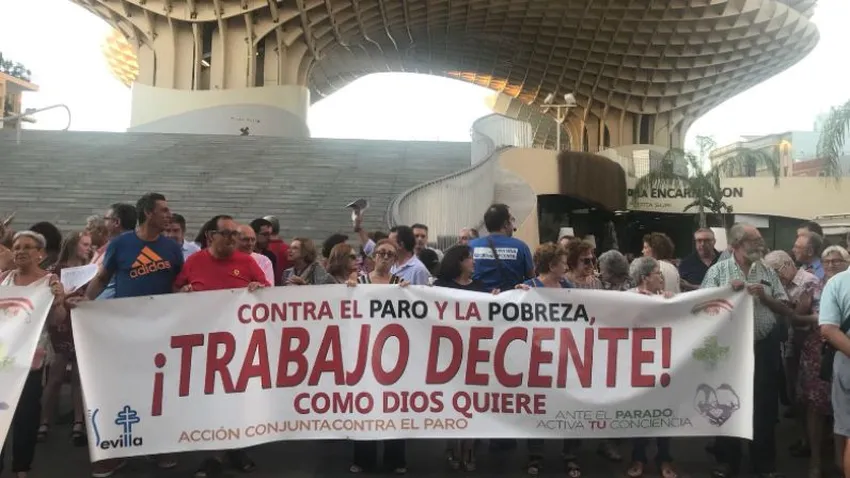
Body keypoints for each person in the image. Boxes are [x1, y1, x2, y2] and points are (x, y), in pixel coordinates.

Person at [74, 193, 183, 478]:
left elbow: (177, 284)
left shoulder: (172, 248)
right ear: (148, 213)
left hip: (161, 331)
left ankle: (158, 445)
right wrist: (87, 304)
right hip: (125, 331)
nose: (169, 215)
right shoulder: (121, 244)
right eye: (164, 210)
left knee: (159, 390)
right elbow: (102, 278)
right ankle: (116, 451)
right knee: (122, 389)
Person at [174, 215, 267, 476]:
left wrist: (258, 288)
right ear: (210, 236)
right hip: (203, 345)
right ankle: (217, 452)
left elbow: (268, 294)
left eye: (235, 234)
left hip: (240, 344)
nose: (232, 239)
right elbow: (175, 291)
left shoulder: (247, 262)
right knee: (211, 400)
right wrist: (182, 293)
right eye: (226, 234)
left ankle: (231, 449)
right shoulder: (194, 261)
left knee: (237, 398)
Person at [702, 223, 794, 478]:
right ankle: (726, 461)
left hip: (764, 347)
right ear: (736, 244)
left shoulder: (767, 270)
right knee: (726, 402)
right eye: (755, 240)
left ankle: (763, 463)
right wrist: (725, 294)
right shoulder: (718, 271)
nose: (760, 244)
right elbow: (702, 308)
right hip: (728, 350)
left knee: (764, 406)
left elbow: (785, 308)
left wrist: (765, 297)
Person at [0, 231, 65, 478]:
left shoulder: (49, 282)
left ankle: (21, 467)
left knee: (26, 415)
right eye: (17, 247)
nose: (20, 251)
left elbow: (57, 321)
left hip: (30, 360)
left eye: (27, 247)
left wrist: (58, 301)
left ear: (41, 254)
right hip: (2, 359)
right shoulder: (4, 278)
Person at [516, 243, 579, 477]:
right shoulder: (528, 288)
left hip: (564, 356)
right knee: (538, 406)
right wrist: (514, 295)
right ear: (552, 266)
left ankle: (570, 454)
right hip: (538, 358)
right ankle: (536, 454)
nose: (567, 267)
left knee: (570, 405)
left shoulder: (568, 287)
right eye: (563, 263)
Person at [38, 231, 92, 446]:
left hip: (82, 323)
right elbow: (48, 296)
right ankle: (44, 421)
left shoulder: (91, 270)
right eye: (84, 244)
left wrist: (86, 300)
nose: (88, 248)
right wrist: (65, 298)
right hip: (61, 324)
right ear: (73, 245)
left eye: (89, 244)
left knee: (79, 376)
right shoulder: (55, 271)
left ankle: (78, 422)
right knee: (56, 376)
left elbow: (94, 294)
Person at [627, 256, 676, 478]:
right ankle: (638, 457)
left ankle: (664, 458)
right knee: (639, 411)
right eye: (657, 273)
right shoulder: (627, 297)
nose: (661, 277)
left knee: (664, 410)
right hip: (636, 363)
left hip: (662, 363)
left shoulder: (666, 298)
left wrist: (671, 303)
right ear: (645, 277)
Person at [469, 204, 533, 292]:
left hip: (478, 299)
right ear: (506, 224)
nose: (513, 226)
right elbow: (531, 279)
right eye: (512, 220)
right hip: (511, 299)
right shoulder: (521, 247)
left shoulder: (471, 246)